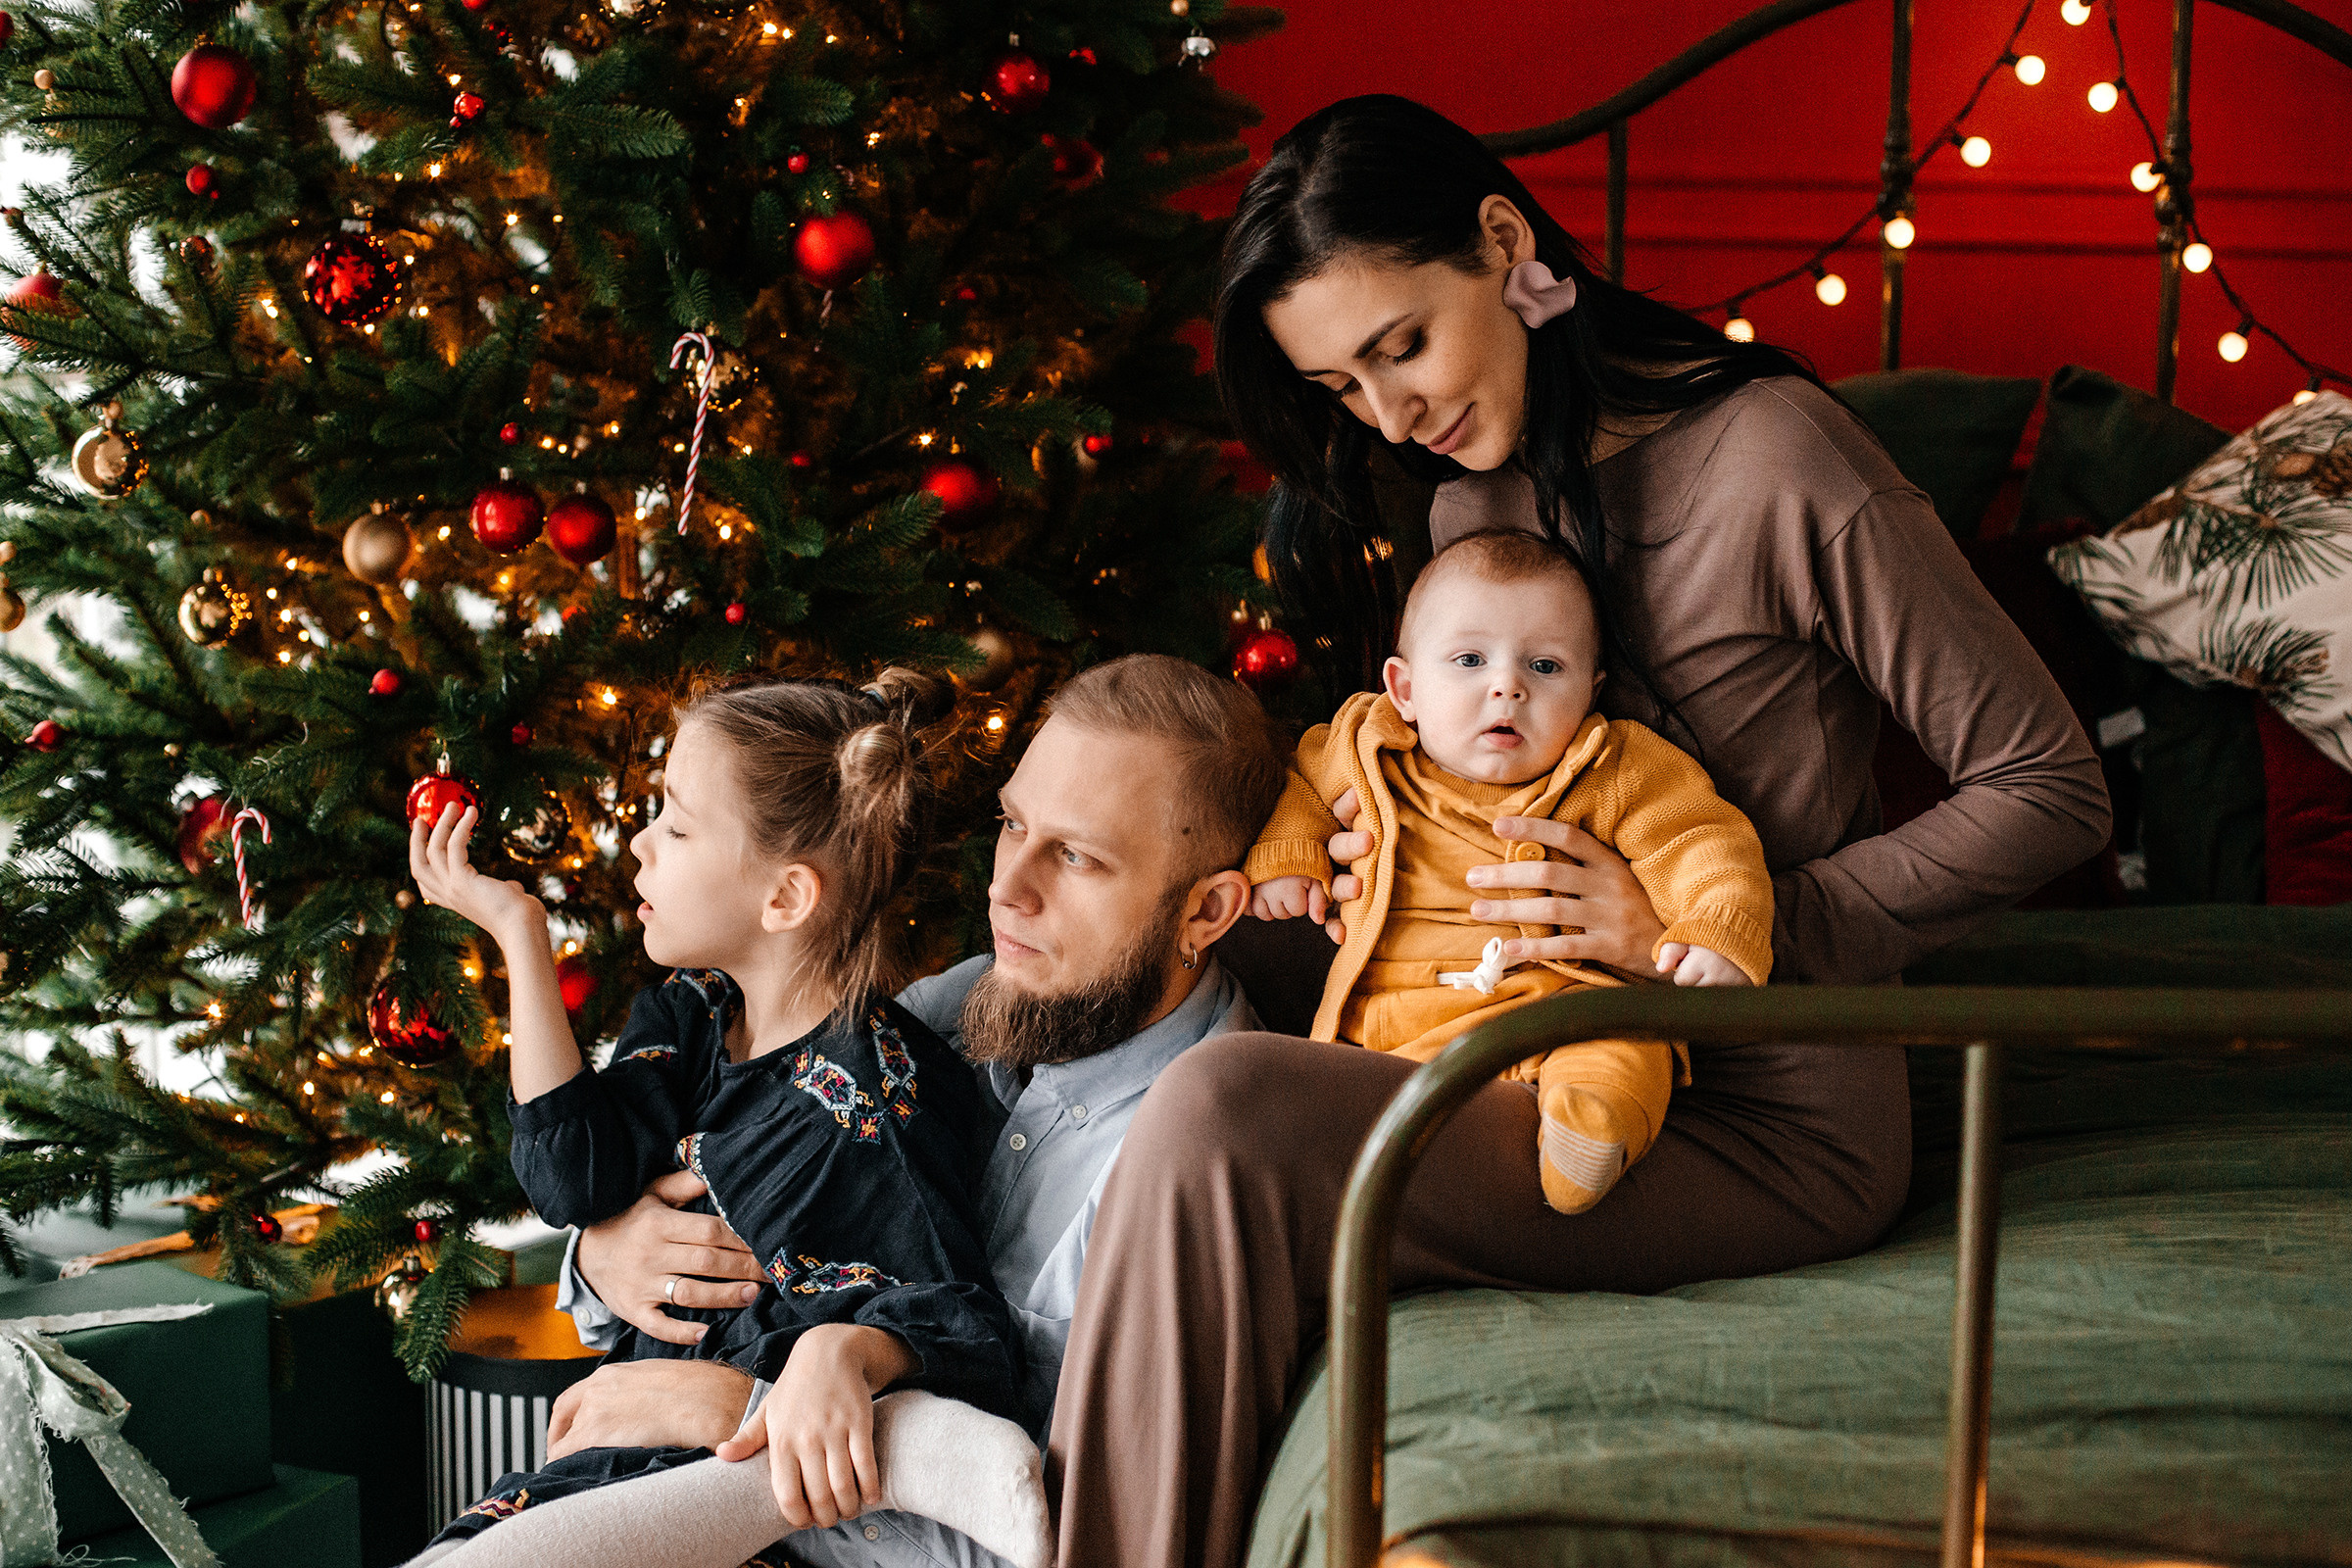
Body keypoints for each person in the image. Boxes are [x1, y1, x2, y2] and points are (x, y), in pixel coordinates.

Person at [1034, 93, 2112, 1568]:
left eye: (1402, 346)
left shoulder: (1784, 461)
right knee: (1130, 927)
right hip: (1494, 1029)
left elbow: (2049, 786)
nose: (1389, 416)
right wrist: (1356, 866)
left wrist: (1691, 934)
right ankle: (881, 1361)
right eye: (1343, 386)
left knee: (1225, 1111)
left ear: (1502, 241)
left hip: (1753, 1111)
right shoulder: (1467, 497)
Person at [425, 654, 1293, 1568]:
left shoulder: (1194, 1176)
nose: (1006, 889)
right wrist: (610, 1255)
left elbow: (1053, 1540)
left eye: (1077, 856)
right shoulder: (957, 1009)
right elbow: (743, 1203)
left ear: (1206, 911)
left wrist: (733, 1406)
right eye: (1013, 824)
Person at [402, 670, 1034, 1562]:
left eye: (677, 825)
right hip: (610, 1467)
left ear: (786, 898)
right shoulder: (691, 1011)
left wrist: (852, 1351)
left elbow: (963, 1328)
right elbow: (571, 1180)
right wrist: (520, 935)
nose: (639, 843)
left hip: (735, 1506)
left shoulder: (878, 1104)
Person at [1245, 527, 1773, 1214]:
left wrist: (1717, 927)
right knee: (1317, 1086)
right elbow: (1301, 787)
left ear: (1591, 692)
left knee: (1622, 1048)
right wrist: (1289, 859)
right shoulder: (1364, 746)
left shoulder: (1613, 766)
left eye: (1545, 667)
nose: (1507, 687)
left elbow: (1700, 840)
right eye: (1469, 660)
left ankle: (1589, 1134)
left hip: (1562, 1010)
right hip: (1393, 1027)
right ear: (1404, 689)